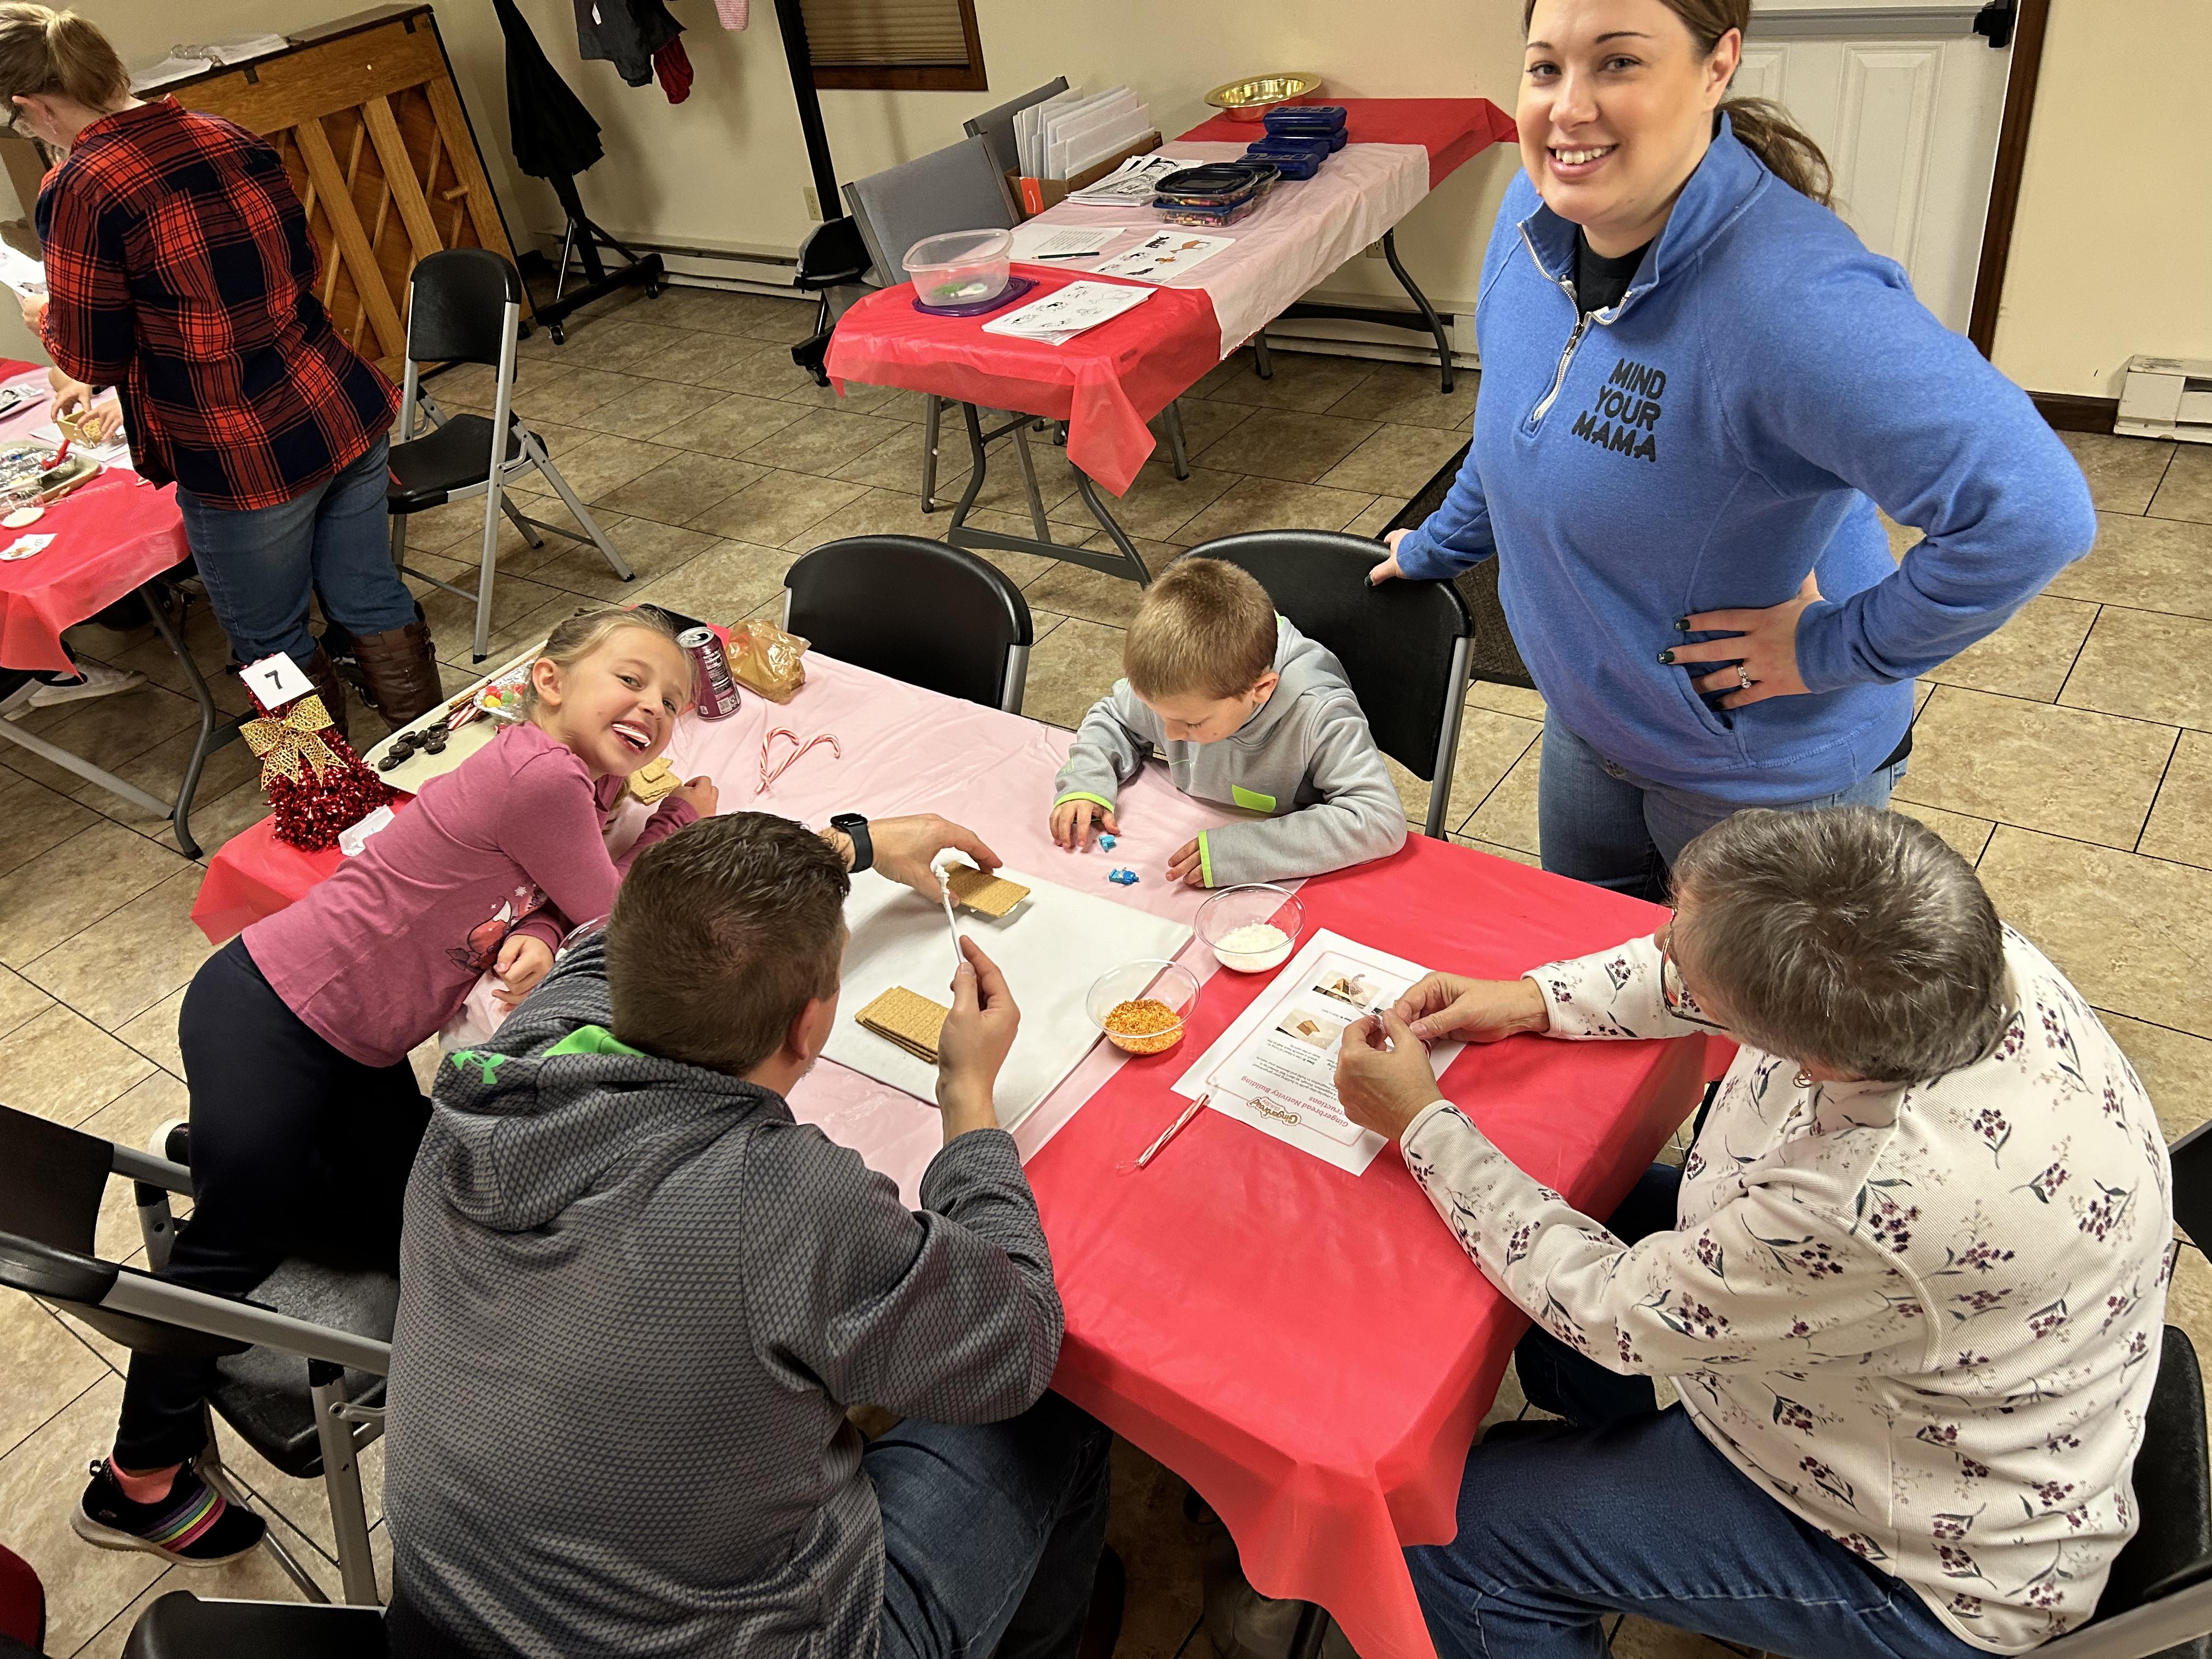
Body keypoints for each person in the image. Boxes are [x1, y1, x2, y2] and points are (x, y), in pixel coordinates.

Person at [1332, 806, 2172, 1658]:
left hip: (1920, 1566)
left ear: (1808, 1056)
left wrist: (1421, 1124)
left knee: (1458, 1539)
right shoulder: (1944, 953)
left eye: (1687, 968)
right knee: (1574, 1205)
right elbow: (1712, 961)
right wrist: (1532, 999)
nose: (1661, 949)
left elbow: (1617, 1313)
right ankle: (1604, 1455)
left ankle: (1573, 1522)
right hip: (1927, 1385)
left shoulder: (1871, 1198)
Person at [1368, 0, 2097, 902]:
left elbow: (2034, 513)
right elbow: (1518, 414)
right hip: (1594, 722)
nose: (1567, 108)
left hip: (1756, 778)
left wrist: (1837, 646)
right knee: (1592, 986)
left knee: (1736, 1036)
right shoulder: (1536, 211)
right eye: (1545, 67)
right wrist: (1438, 543)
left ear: (1718, 66)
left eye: (1618, 63)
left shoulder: (1795, 304)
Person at [383, 811, 1114, 1659]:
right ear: (808, 1028)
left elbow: (614, 924)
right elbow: (1014, 1346)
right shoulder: (784, 1197)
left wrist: (851, 846)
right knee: (1067, 1405)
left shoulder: (507, 1062)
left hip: (445, 1615)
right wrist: (969, 1103)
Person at [0, 5, 442, 738]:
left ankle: (320, 806)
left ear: (32, 105)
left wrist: (43, 317)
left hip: (243, 453)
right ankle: (435, 760)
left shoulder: (81, 186)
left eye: (21, 128)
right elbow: (294, 269)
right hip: (340, 405)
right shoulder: (223, 133)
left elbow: (91, 358)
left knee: (267, 643)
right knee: (370, 597)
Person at [1051, 557, 1405, 887]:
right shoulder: (1181, 694)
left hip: (1285, 878)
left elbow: (1378, 818)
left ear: (1261, 690)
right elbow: (1114, 716)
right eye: (1161, 716)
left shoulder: (1318, 713)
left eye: (1191, 724)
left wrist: (1239, 853)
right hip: (1190, 828)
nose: (1172, 735)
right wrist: (1087, 782)